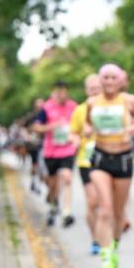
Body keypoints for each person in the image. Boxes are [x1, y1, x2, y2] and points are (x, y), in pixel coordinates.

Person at [85, 64, 134, 268]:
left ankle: (114, 246)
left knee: (119, 212)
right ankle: (105, 257)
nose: (110, 82)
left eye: (114, 78)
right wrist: (87, 130)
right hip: (100, 157)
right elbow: (86, 124)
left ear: (121, 80)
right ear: (100, 80)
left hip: (123, 159)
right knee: (105, 209)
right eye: (105, 78)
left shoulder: (130, 101)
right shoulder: (92, 102)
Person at [34, 82, 78, 227]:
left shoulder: (73, 107)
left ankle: (66, 212)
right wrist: (50, 126)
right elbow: (36, 127)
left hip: (67, 150)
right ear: (53, 92)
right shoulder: (46, 108)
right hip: (50, 151)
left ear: (67, 92)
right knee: (53, 185)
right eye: (58, 92)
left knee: (67, 177)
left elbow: (81, 125)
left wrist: (77, 136)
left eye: (63, 92)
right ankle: (53, 206)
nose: (61, 95)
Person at [69, 74, 103, 255]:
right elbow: (72, 133)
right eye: (91, 89)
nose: (95, 92)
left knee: (106, 202)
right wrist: (77, 139)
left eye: (98, 88)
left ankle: (108, 235)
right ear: (86, 90)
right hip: (86, 159)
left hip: (108, 157)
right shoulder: (80, 110)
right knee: (93, 201)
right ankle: (96, 239)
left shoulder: (111, 108)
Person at [23, 98, 45, 193]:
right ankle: (34, 182)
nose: (40, 106)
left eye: (41, 104)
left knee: (41, 166)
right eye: (38, 105)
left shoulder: (47, 115)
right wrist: (27, 137)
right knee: (35, 164)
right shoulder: (31, 116)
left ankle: (38, 184)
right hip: (33, 145)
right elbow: (23, 128)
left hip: (44, 144)